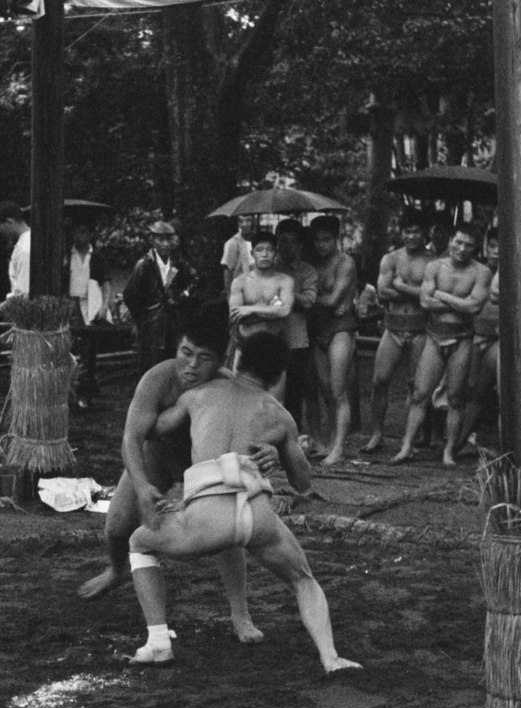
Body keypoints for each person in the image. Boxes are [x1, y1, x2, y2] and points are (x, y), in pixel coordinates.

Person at [126, 331, 359, 674]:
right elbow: (303, 483)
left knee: (139, 543)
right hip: (257, 515)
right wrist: (279, 450)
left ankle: (159, 642)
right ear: (279, 375)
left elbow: (154, 428)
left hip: (206, 519)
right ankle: (330, 656)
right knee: (303, 579)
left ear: (235, 360)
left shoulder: (199, 395)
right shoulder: (280, 416)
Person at [79, 304, 272, 634]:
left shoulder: (227, 387)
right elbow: (131, 438)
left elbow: (262, 426)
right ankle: (116, 570)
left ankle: (240, 613)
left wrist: (270, 450)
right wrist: (141, 487)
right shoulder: (158, 378)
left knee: (226, 536)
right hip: (158, 457)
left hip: (205, 464)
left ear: (222, 360)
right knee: (116, 527)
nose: (192, 366)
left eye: (204, 358)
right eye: (186, 352)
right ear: (177, 347)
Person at [393, 222, 491, 466]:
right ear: (450, 241)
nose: (461, 248)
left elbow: (474, 307)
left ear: (475, 248)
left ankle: (449, 451)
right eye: (458, 242)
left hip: (462, 338)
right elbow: (425, 302)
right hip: (434, 336)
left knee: (457, 397)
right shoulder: (435, 266)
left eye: (468, 245)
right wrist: (459, 302)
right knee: (420, 393)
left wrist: (442, 295)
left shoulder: (481, 272)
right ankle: (407, 446)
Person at [362, 210, 434, 455]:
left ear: (424, 233)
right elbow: (383, 292)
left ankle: (413, 438)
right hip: (393, 327)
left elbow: (429, 298)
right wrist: (415, 291)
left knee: (417, 386)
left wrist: (401, 286)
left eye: (415, 231)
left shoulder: (433, 261)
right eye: (407, 231)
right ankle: (377, 435)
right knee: (379, 381)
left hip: (420, 329)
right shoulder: (391, 258)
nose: (410, 236)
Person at [306, 215, 359, 464]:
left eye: (326, 240)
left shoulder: (345, 263)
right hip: (319, 329)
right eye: (317, 240)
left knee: (338, 391)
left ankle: (338, 448)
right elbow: (324, 303)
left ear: (335, 239)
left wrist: (306, 299)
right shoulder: (310, 263)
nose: (321, 245)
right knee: (324, 388)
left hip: (341, 328)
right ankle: (328, 441)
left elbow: (334, 301)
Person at [124, 220, 198, 372]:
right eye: (160, 239)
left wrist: (183, 295)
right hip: (151, 325)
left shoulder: (178, 263)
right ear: (152, 240)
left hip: (173, 324)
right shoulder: (144, 265)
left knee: (171, 366)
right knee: (151, 368)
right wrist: (144, 317)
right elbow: (131, 295)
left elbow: (195, 280)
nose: (165, 244)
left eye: (168, 239)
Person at [270, 219, 321, 437]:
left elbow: (309, 301)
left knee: (295, 392)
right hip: (269, 338)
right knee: (268, 390)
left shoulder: (307, 271)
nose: (286, 246)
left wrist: (286, 289)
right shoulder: (267, 267)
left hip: (296, 338)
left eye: (291, 241)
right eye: (282, 241)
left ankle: (292, 438)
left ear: (300, 245)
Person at [65, 218, 113, 408]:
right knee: (68, 348)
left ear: (91, 234)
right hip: (71, 303)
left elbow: (106, 283)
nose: (80, 236)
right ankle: (67, 391)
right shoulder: (66, 256)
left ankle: (85, 393)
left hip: (90, 304)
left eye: (84, 232)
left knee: (89, 350)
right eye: (77, 232)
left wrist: (104, 307)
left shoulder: (98, 257)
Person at [228, 230, 294, 344]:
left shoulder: (285, 281)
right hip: (245, 342)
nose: (265, 254)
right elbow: (235, 316)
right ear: (252, 253)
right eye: (259, 250)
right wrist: (272, 311)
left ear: (276, 253)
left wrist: (250, 309)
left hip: (275, 342)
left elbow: (284, 311)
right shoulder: (240, 282)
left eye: (270, 250)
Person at [0, 201, 31, 312]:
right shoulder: (25, 243)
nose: (0, 231)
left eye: (0, 226)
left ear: (9, 222)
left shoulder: (25, 249)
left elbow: (24, 294)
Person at [220, 215, 257, 292]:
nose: (244, 224)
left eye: (248, 220)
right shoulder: (231, 243)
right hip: (241, 289)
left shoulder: (260, 242)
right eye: (241, 221)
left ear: (253, 222)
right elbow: (228, 272)